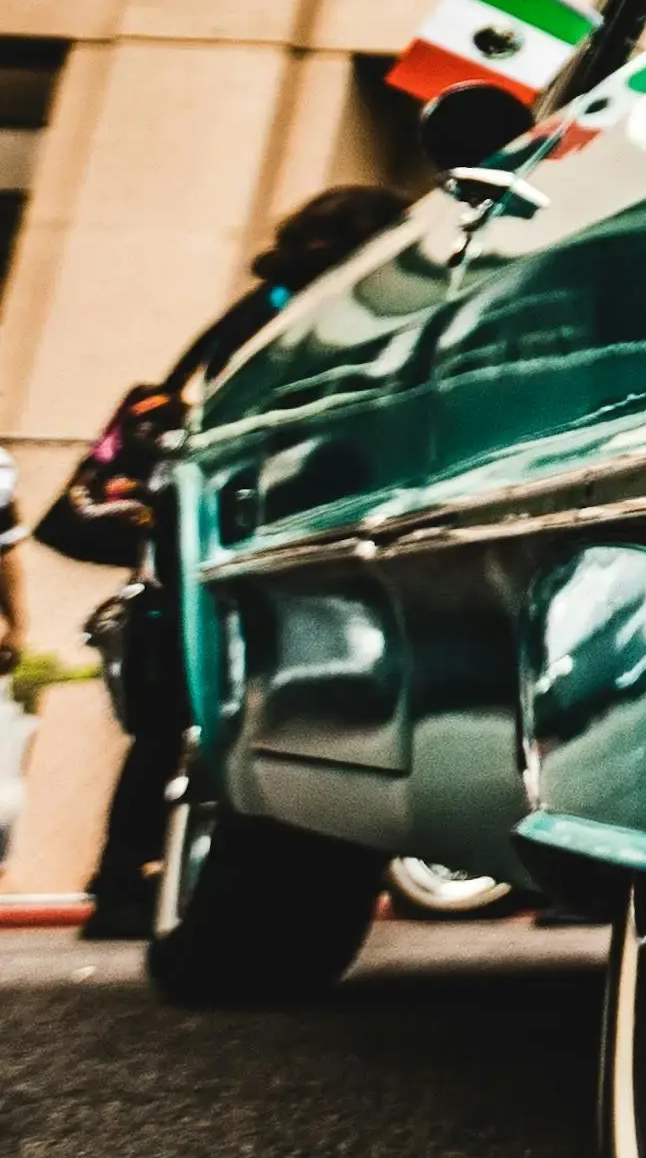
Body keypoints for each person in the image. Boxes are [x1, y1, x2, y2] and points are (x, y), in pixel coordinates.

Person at [34, 181, 417, 938]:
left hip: (195, 532)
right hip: (238, 529)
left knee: (179, 709)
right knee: (215, 701)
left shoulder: (258, 307)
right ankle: (149, 876)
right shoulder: (310, 315)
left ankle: (125, 879)